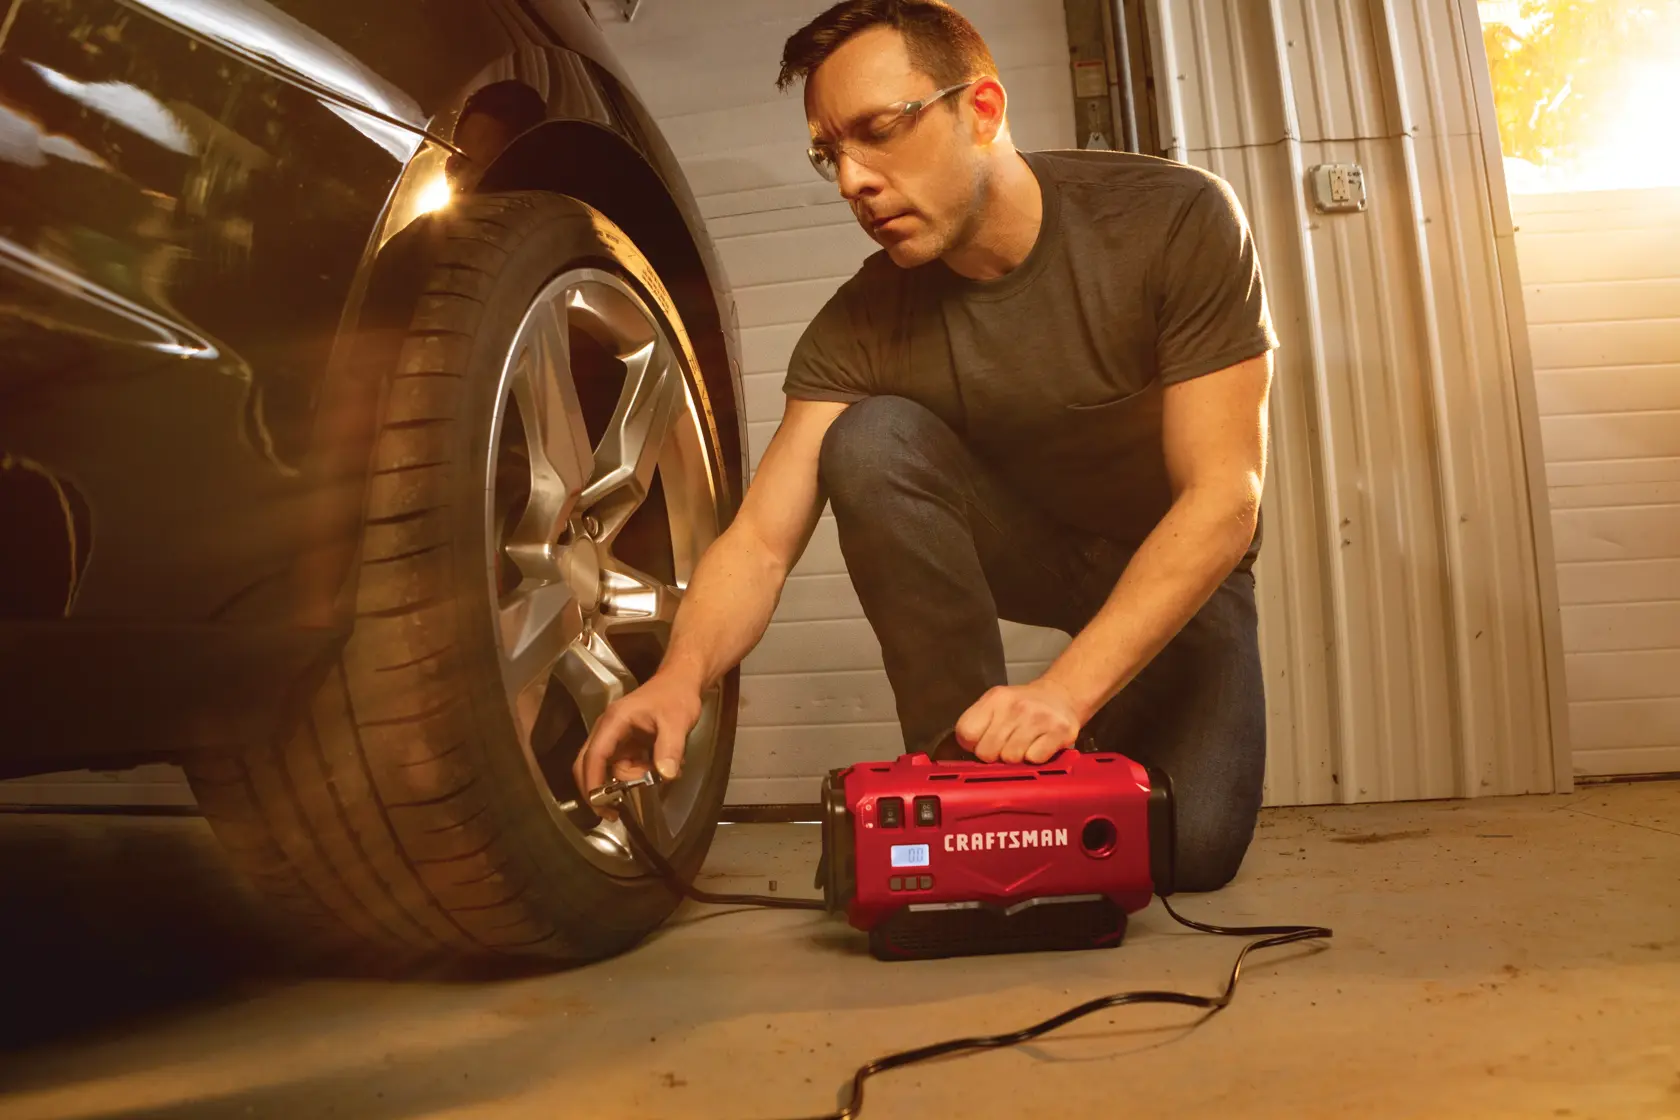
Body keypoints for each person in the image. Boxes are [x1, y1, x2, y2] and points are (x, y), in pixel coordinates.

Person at [575, 0, 1278, 890]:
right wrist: (683, 675)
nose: (852, 182)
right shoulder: (863, 321)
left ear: (980, 109)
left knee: (1191, 851)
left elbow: (1225, 499)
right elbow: (758, 542)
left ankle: (1075, 743)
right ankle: (967, 784)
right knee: (871, 440)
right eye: (832, 153)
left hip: (1179, 563)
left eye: (879, 132)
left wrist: (1063, 695)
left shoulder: (1173, 221)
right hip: (1033, 544)